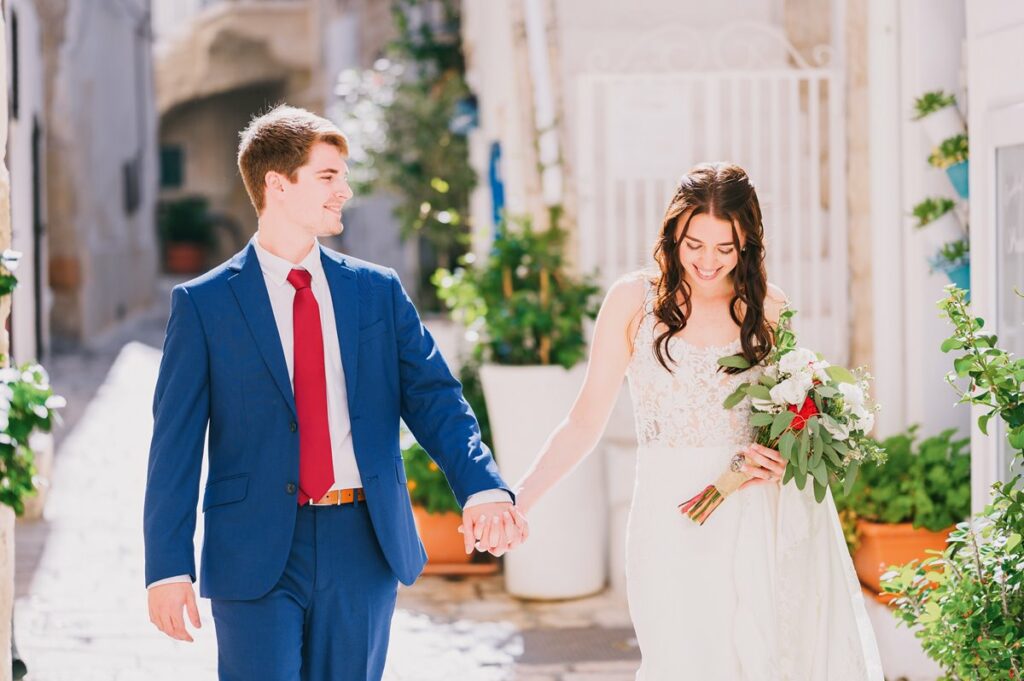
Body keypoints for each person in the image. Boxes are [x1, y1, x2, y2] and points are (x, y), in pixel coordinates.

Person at [143, 105, 528, 681]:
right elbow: (174, 444)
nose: (344, 190)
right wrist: (167, 567)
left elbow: (437, 400)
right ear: (277, 183)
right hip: (253, 548)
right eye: (328, 176)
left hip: (362, 542)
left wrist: (482, 487)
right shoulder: (204, 304)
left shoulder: (376, 292)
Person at [512, 163, 883, 680]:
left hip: (753, 511)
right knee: (679, 657)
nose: (708, 261)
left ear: (747, 244)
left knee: (755, 658)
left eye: (725, 248)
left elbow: (790, 412)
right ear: (673, 235)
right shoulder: (631, 301)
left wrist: (781, 458)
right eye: (694, 244)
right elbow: (583, 420)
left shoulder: (769, 306)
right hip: (667, 518)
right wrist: (519, 501)